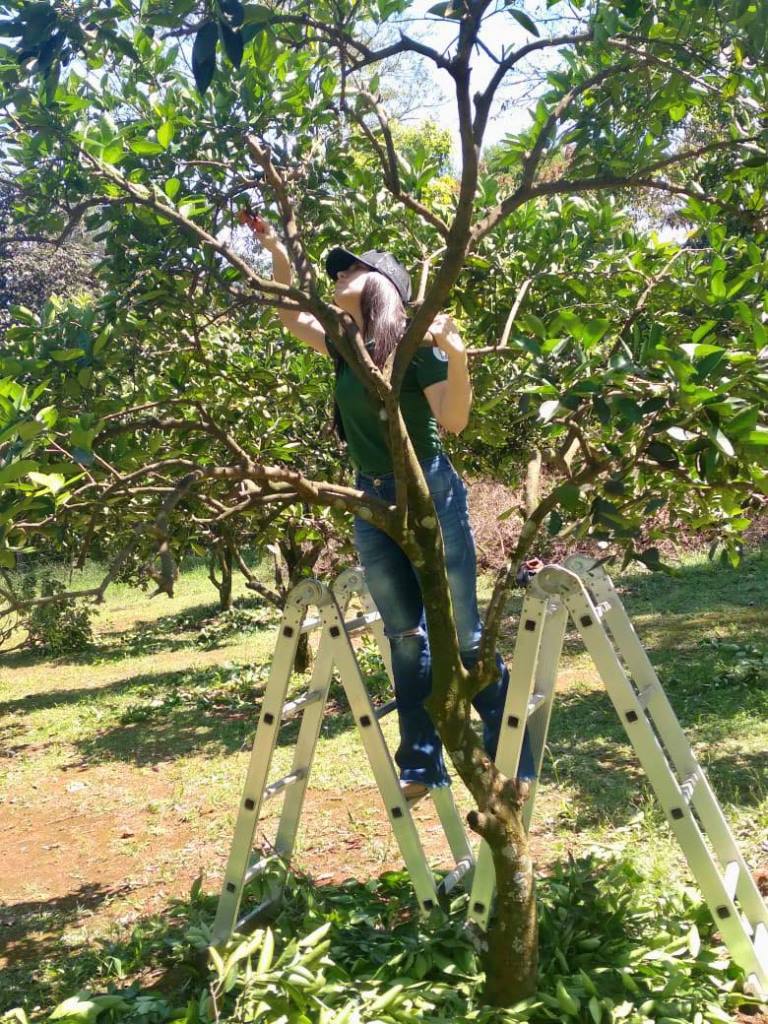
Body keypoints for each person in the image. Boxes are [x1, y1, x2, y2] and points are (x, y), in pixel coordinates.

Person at [244, 213, 535, 800]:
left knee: (467, 635)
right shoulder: (345, 346)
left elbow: (452, 420)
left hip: (429, 488)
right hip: (370, 494)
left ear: (380, 284)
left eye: (349, 268)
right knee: (406, 634)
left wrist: (456, 356)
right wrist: (274, 245)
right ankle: (422, 765)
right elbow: (286, 314)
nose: (337, 275)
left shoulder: (413, 343)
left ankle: (518, 758)